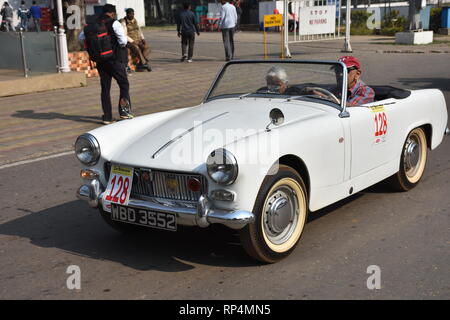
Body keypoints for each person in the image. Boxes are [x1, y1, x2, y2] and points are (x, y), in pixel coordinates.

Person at [79, 4, 133, 125]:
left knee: (105, 88)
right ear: (112, 13)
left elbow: (81, 37)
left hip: (99, 61)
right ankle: (124, 113)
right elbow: (123, 41)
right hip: (114, 60)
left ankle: (107, 117)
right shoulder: (114, 23)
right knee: (124, 84)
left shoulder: (92, 24)